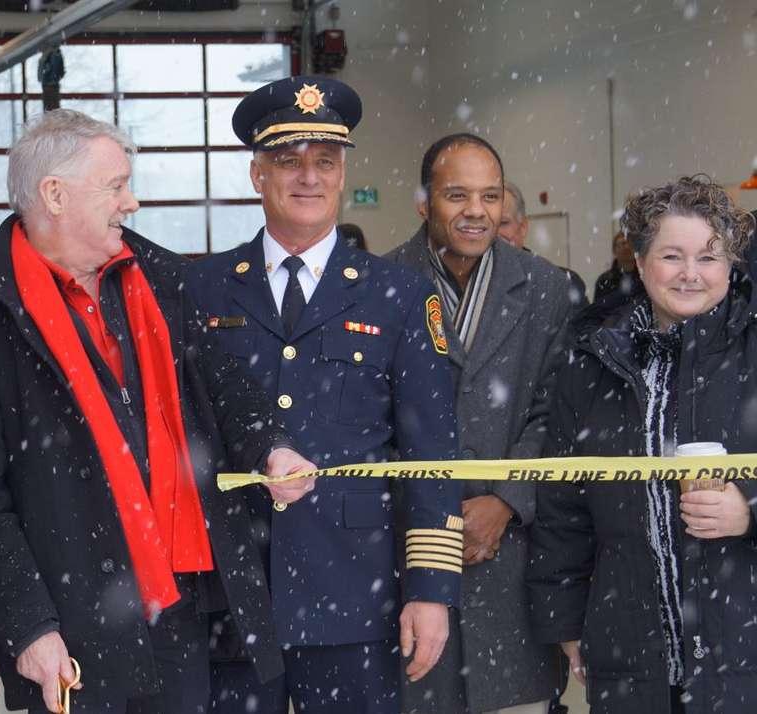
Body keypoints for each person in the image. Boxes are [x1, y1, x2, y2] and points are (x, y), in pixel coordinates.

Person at [0, 108, 316, 714]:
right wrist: (30, 628)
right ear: (54, 195)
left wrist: (273, 447)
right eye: (115, 186)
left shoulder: (162, 278)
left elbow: (225, 390)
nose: (131, 203)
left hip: (180, 603)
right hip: (73, 622)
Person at [187, 76, 464, 714]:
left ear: (343, 174)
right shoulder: (201, 293)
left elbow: (434, 455)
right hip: (230, 596)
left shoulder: (398, 296)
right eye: (287, 161)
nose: (307, 177)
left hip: (355, 596)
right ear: (257, 174)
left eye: (325, 162)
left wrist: (431, 589)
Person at [528, 175, 757, 714]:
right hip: (629, 645)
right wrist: (565, 619)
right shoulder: (593, 362)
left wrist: (749, 509)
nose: (691, 275)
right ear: (639, 258)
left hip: (743, 647)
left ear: (732, 264)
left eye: (709, 257)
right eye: (672, 255)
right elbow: (562, 505)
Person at [386, 133, 569, 714]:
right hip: (406, 559)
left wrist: (507, 500)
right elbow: (363, 420)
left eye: (489, 196)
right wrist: (433, 516)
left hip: (512, 559)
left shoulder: (545, 288)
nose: (475, 211)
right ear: (424, 202)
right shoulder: (378, 283)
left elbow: (557, 412)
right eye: (457, 194)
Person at [497, 180, 588, 308]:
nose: (495, 234)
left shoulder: (561, 284)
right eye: (487, 225)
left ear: (523, 227)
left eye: (503, 223)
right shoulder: (468, 286)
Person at [593, 230, 644, 303]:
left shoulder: (645, 278)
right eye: (622, 244)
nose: (627, 247)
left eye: (630, 243)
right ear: (614, 250)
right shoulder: (604, 281)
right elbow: (597, 311)